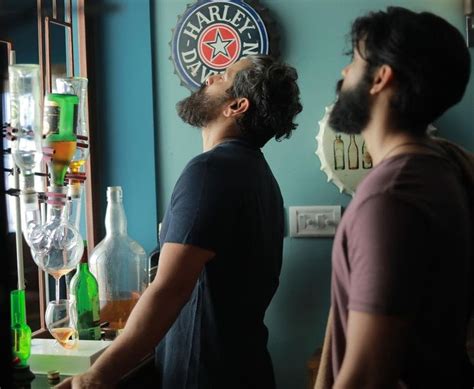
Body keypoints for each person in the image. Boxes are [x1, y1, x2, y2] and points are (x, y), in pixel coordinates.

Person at [58, 55, 302, 389]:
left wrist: (97, 375)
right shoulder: (260, 177)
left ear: (237, 106)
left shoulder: (210, 171)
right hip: (247, 369)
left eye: (223, 76)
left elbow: (170, 290)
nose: (209, 77)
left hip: (204, 375)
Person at [327, 6, 473, 389]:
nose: (344, 74)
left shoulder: (391, 198)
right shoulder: (439, 168)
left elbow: (367, 375)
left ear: (380, 78)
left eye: (353, 61)